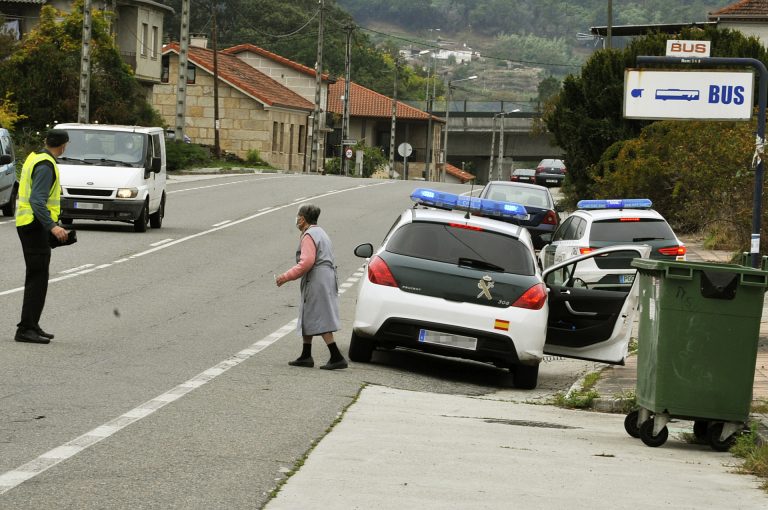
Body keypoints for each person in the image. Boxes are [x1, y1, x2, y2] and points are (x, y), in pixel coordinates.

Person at [275, 204, 347, 370]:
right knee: (308, 312)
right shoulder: (321, 232)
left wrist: (285, 277)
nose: (297, 219)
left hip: (317, 279)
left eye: (298, 216)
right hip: (326, 277)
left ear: (303, 219)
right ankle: (306, 355)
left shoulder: (309, 235)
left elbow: (306, 262)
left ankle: (336, 357)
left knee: (320, 314)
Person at [15, 129, 70, 344]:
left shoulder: (35, 157)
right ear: (64, 145)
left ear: (46, 141)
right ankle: (26, 329)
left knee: (38, 276)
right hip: (35, 226)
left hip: (29, 224)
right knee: (37, 278)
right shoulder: (46, 166)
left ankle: (32, 324)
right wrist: (52, 227)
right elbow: (37, 200)